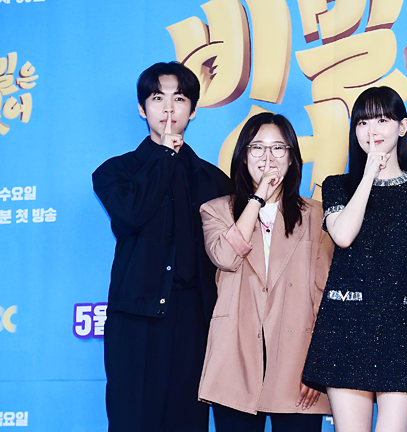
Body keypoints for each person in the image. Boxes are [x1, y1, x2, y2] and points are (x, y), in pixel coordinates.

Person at [92, 61, 232, 432]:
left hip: (195, 322)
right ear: (142, 109)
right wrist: (165, 156)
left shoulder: (215, 181)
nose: (169, 108)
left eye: (179, 98)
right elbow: (131, 215)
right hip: (136, 319)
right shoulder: (115, 173)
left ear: (193, 110)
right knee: (133, 420)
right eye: (157, 98)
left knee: (187, 421)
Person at [302, 86, 407, 432]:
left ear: (403, 126)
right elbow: (343, 235)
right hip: (346, 328)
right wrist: (368, 175)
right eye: (363, 122)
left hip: (404, 330)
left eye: (382, 120)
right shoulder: (337, 186)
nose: (372, 130)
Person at [197, 112, 334, 431]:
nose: (268, 157)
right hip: (235, 359)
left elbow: (324, 295)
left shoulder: (317, 216)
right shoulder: (216, 211)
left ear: (292, 158)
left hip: (297, 363)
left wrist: (318, 365)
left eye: (278, 148)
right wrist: (257, 198)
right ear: (244, 156)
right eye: (257, 147)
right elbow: (227, 256)